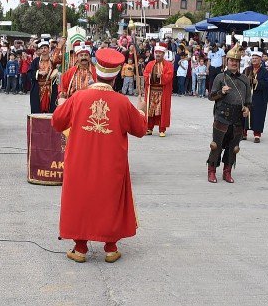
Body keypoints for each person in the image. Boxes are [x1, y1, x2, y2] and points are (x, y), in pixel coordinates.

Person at [52, 47, 146, 263]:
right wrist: (140, 109)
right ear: (116, 77)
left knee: (81, 198)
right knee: (109, 199)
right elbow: (140, 129)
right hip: (111, 163)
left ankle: (80, 248)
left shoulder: (78, 98)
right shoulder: (122, 102)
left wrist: (61, 104)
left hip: (80, 161)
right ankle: (111, 247)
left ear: (96, 72)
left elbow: (57, 122)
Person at [206, 44, 250, 183]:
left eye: (236, 61)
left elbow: (248, 100)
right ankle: (212, 171)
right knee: (216, 145)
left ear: (239, 63)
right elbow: (211, 96)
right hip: (222, 116)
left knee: (233, 147)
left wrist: (247, 109)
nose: (233, 63)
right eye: (231, 60)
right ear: (227, 61)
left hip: (237, 118)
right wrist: (221, 92)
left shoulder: (245, 79)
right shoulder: (220, 77)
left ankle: (227, 171)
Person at [139, 42, 173, 137]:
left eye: (160, 53)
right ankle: (149, 128)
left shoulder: (168, 65)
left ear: (163, 54)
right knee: (150, 111)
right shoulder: (150, 64)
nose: (158, 54)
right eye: (156, 52)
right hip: (152, 91)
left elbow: (169, 77)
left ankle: (162, 129)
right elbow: (145, 74)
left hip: (162, 92)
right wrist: (149, 77)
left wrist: (161, 76)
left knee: (161, 110)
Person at [245, 49, 268, 143]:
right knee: (245, 114)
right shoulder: (247, 69)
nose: (254, 60)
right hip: (247, 96)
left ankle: (257, 135)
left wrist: (257, 82)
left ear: (260, 60)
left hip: (259, 97)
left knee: (258, 115)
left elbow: (267, 83)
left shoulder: (264, 71)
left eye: (256, 58)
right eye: (253, 58)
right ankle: (244, 133)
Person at [28, 41, 58, 114]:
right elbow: (29, 73)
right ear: (39, 50)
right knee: (37, 108)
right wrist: (38, 72)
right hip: (38, 88)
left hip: (50, 87)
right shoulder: (36, 61)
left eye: (45, 48)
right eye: (41, 48)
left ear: (49, 49)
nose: (43, 50)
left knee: (51, 107)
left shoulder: (53, 61)